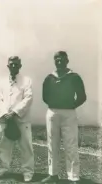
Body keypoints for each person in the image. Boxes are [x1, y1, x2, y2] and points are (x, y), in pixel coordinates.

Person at [41, 51, 87, 184]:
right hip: (52, 113)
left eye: (62, 59)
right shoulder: (49, 78)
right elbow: (45, 96)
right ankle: (52, 174)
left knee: (71, 145)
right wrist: (55, 104)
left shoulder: (74, 77)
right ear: (54, 61)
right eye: (56, 59)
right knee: (52, 144)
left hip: (69, 114)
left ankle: (73, 177)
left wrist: (71, 105)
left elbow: (82, 96)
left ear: (67, 60)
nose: (59, 62)